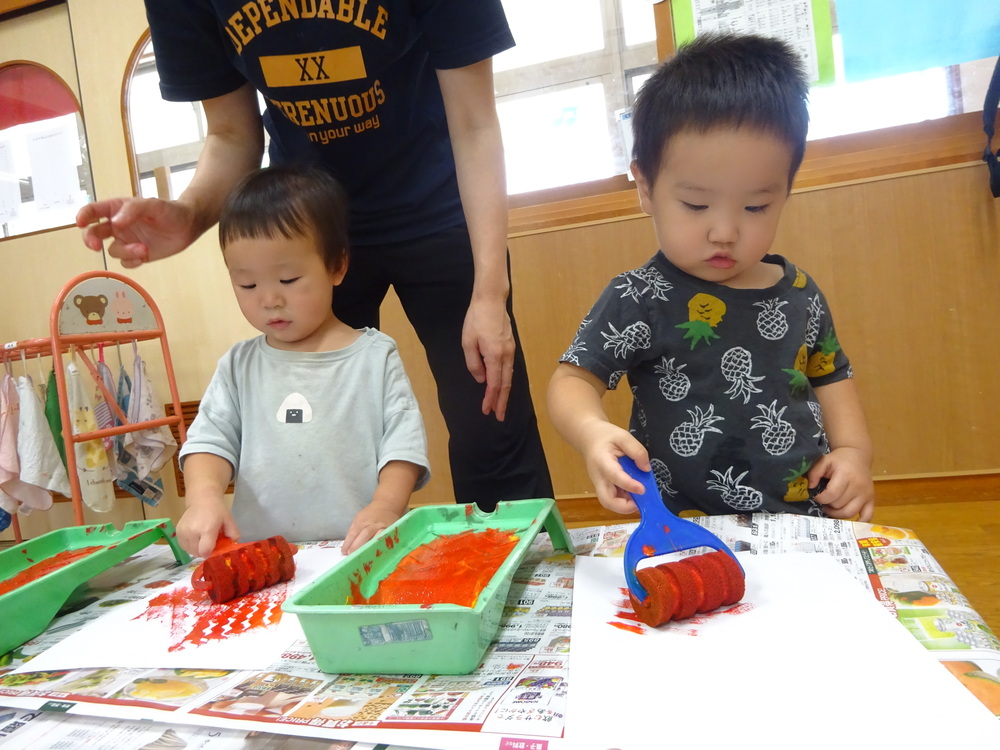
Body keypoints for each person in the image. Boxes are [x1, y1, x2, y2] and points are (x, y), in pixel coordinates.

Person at [75, 1, 551, 511]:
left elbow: (475, 122)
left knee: (490, 420)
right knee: (313, 429)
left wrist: (489, 292)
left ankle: (523, 577)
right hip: (304, 232)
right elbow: (232, 131)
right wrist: (191, 215)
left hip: (439, 206)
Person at [546, 33, 875, 523]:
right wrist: (592, 432)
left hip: (800, 522)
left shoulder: (800, 293)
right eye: (696, 205)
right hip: (682, 524)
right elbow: (572, 380)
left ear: (785, 191)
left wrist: (853, 453)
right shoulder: (639, 297)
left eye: (756, 206)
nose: (725, 231)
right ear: (645, 188)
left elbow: (832, 377)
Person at [177, 165, 430, 558]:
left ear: (337, 266)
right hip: (264, 556)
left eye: (289, 280)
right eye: (247, 284)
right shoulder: (239, 366)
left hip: (359, 551)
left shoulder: (374, 357)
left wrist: (386, 506)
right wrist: (203, 498)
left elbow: (403, 446)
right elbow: (210, 441)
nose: (269, 299)